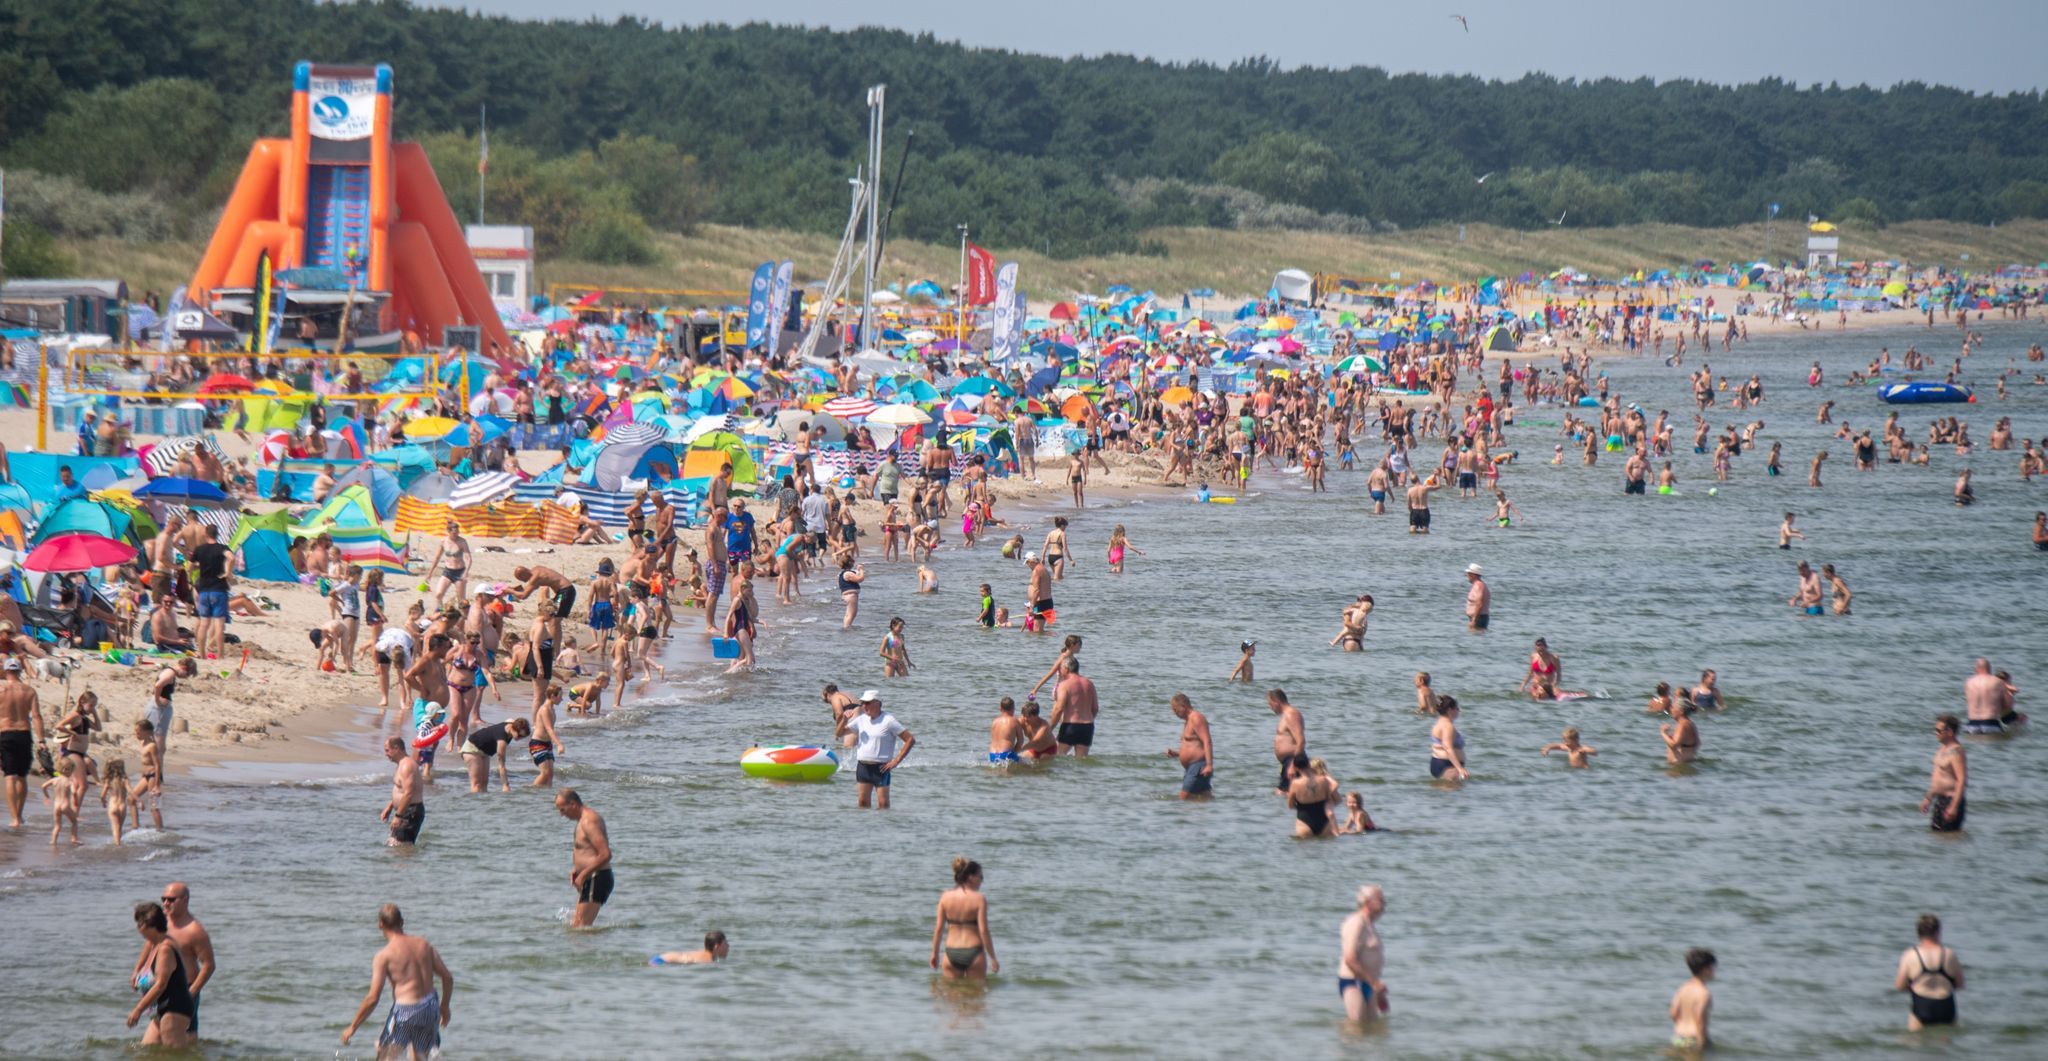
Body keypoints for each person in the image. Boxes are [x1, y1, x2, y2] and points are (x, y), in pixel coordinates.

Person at [339, 904, 454, 1060]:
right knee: (420, 1057)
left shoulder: (384, 956)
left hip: (406, 1012)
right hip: (430, 1007)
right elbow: (447, 978)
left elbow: (373, 998)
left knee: (385, 1057)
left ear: (380, 924)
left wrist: (352, 1027)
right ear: (402, 922)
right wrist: (444, 1007)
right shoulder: (424, 944)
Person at [138, 883, 215, 1035]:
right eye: (163, 899)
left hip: (184, 990)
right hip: (159, 989)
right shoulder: (162, 922)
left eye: (171, 899)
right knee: (154, 1040)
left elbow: (209, 965)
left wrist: (191, 993)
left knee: (186, 1039)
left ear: (185, 900)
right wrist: (138, 971)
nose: (166, 903)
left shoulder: (195, 930)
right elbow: (150, 944)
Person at [127, 901, 196, 1048]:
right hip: (159, 1009)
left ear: (150, 925)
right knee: (146, 1052)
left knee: (174, 1055)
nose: (137, 928)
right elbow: (147, 950)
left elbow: (160, 985)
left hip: (174, 1008)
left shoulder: (165, 948)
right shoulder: (155, 943)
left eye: (139, 924)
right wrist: (136, 973)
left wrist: (138, 1010)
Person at [835, 691, 915, 810]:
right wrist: (844, 720)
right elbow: (838, 734)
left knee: (883, 805)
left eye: (867, 703)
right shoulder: (861, 719)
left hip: (881, 769)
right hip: (863, 767)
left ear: (877, 703)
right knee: (862, 804)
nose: (864, 706)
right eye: (863, 703)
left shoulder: (888, 720)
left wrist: (896, 761)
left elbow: (910, 739)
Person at [929, 857, 999, 980]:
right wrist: (993, 958)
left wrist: (934, 953)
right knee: (976, 991)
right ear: (970, 877)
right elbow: (983, 931)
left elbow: (938, 929)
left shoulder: (945, 897)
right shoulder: (979, 899)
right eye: (980, 877)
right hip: (974, 951)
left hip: (951, 952)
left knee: (951, 992)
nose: (981, 881)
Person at [1894, 914, 1963, 1030]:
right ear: (1938, 932)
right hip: (1946, 1007)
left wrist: (1915, 985)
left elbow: (1899, 986)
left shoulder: (1910, 955)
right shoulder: (1950, 954)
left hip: (1922, 1005)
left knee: (1914, 1039)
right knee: (1947, 1040)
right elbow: (1960, 984)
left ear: (1918, 933)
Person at [556, 788, 614, 926]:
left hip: (596, 877)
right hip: (590, 877)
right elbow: (586, 850)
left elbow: (606, 854)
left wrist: (583, 874)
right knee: (577, 927)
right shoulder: (582, 821)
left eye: (562, 810)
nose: (561, 814)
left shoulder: (589, 821)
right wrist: (577, 870)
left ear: (573, 804)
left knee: (580, 928)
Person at [1, 657, 46, 827]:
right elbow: (36, 717)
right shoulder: (29, 691)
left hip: (5, 733)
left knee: (10, 776)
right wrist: (41, 740)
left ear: (6, 671)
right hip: (24, 734)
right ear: (20, 671)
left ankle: (14, 819)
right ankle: (19, 816)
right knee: (21, 776)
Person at [1338, 884, 1389, 1022]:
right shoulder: (1356, 922)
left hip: (1370, 984)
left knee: (1371, 1029)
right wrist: (1375, 983)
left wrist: (1378, 991)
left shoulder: (1369, 925)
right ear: (1367, 902)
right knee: (1356, 1027)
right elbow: (1350, 959)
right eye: (1380, 900)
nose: (1384, 904)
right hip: (1353, 983)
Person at [189, 524, 233, 660]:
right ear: (217, 534)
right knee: (219, 625)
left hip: (203, 590)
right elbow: (232, 558)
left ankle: (202, 654)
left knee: (204, 623)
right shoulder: (222, 548)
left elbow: (190, 566)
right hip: (218, 589)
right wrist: (228, 572)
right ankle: (220, 655)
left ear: (205, 534)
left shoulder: (200, 549)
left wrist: (192, 575)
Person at [460, 717, 531, 794]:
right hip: (471, 749)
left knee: (484, 783)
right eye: (519, 736)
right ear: (513, 729)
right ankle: (474, 800)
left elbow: (511, 719)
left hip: (484, 752)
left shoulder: (511, 723)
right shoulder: (502, 740)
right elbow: (501, 765)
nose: (519, 738)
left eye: (522, 737)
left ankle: (483, 801)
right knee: (476, 784)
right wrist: (505, 785)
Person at [1922, 714, 1967, 832]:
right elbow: (1937, 778)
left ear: (1950, 732)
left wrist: (1954, 806)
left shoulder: (1957, 752)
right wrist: (1928, 798)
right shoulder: (1942, 748)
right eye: (1935, 730)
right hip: (1939, 800)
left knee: (1950, 838)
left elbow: (1962, 780)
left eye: (1938, 730)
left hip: (1951, 801)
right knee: (1936, 836)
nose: (1935, 733)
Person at [380, 736, 425, 847]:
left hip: (410, 812)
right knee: (394, 846)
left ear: (396, 748)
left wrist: (398, 816)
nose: (386, 754)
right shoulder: (401, 764)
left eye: (387, 750)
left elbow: (409, 793)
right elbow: (400, 789)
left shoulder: (407, 766)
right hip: (405, 810)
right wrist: (390, 807)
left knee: (402, 848)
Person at [1166, 693, 1213, 799]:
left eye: (1175, 709)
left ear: (1183, 706)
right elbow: (1195, 745)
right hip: (1194, 767)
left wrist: (1209, 765)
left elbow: (1207, 741)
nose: (1174, 712)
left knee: (1183, 798)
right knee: (1204, 798)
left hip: (1198, 766)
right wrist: (1177, 754)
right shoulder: (1188, 721)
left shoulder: (1196, 718)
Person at [1669, 948, 1716, 1052]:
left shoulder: (1683, 988)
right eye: (1713, 966)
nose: (1714, 970)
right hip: (1694, 1039)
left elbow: (1673, 1013)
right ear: (1705, 969)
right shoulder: (1704, 993)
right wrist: (1701, 1044)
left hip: (1678, 1037)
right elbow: (1700, 1020)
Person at [1050, 658, 1099, 756]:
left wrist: (1049, 728)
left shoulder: (1064, 685)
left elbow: (1058, 709)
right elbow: (1095, 708)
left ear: (1066, 669)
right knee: (1082, 759)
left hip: (1070, 726)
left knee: (1056, 755)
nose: (1060, 671)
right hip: (1087, 726)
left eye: (1061, 668)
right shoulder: (1089, 683)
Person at [1962, 657, 2021, 734]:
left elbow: (1968, 701)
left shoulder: (1968, 682)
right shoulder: (1998, 682)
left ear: (1976, 669)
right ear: (1990, 669)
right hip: (1991, 724)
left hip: (1971, 725)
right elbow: (2008, 705)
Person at [1286, 755, 1338, 837]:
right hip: (1324, 821)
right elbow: (1329, 798)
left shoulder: (1295, 784)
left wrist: (1301, 807)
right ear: (1309, 765)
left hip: (1304, 821)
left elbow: (1290, 805)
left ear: (1295, 768)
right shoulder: (1323, 780)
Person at [1429, 696, 1468, 781]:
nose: (1458, 711)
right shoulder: (1448, 726)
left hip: (1440, 763)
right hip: (1447, 765)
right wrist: (1459, 768)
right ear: (1450, 710)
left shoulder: (1439, 723)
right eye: (1457, 709)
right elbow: (1448, 748)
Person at [652, 931, 730, 966]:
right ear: (716, 946)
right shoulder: (707, 960)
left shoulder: (706, 954)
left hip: (659, 959)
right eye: (725, 943)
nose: (728, 946)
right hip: (659, 962)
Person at [1661, 699, 1700, 764]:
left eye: (1673, 707)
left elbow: (1673, 744)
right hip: (1687, 763)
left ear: (1681, 711)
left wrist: (1663, 733)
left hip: (1679, 766)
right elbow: (1698, 743)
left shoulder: (1682, 725)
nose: (1670, 709)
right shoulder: (1690, 723)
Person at [988, 697, 1024, 766]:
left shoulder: (995, 721)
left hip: (992, 754)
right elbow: (1020, 741)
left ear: (1000, 708)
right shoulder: (1014, 721)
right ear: (1013, 708)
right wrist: (1014, 753)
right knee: (1027, 766)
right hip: (1006, 754)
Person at [1463, 563, 1490, 630]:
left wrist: (1474, 620)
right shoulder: (1478, 585)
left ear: (1473, 575)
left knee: (1476, 634)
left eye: (1468, 574)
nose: (1467, 576)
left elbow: (1479, 603)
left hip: (1479, 618)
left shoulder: (1478, 585)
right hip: (1478, 617)